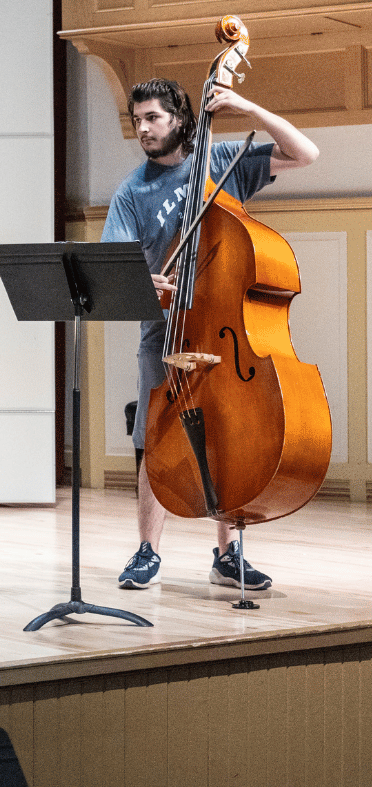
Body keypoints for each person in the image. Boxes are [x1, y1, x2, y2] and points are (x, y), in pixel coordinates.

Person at [101, 78, 319, 591]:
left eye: (152, 118)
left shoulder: (222, 161)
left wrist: (245, 105)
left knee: (230, 436)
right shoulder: (132, 191)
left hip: (228, 333)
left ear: (180, 118)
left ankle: (228, 555)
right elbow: (112, 272)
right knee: (155, 441)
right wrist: (143, 282)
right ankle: (147, 551)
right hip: (166, 333)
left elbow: (305, 153)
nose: (143, 130)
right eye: (137, 121)